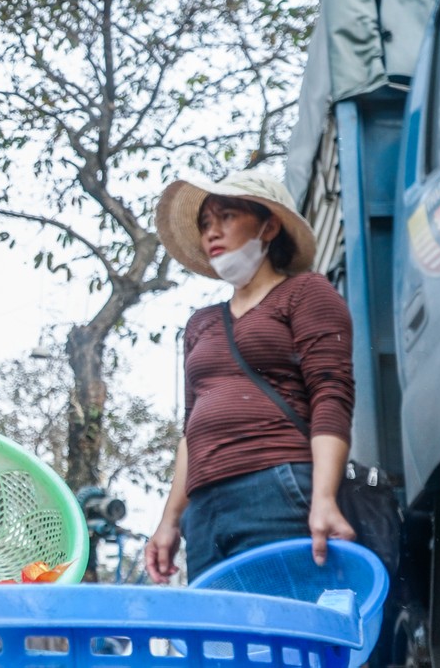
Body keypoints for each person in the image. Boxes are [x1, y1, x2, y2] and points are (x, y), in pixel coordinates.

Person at [143, 169, 356, 584]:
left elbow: (331, 393)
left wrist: (324, 498)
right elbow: (192, 428)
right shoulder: (200, 324)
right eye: (205, 223)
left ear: (269, 224)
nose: (211, 232)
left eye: (226, 216)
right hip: (204, 512)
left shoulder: (307, 292)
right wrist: (170, 521)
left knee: (284, 635)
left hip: (278, 486)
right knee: (218, 644)